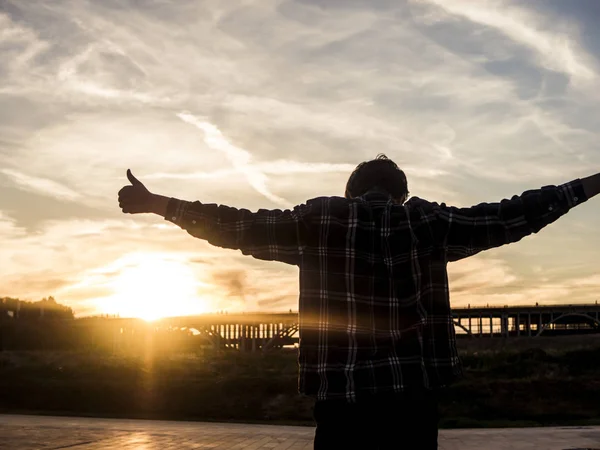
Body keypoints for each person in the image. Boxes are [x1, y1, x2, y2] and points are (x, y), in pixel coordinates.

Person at [118, 155, 598, 449]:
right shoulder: (428, 224)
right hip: (412, 402)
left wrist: (160, 204)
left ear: (351, 191)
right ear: (402, 193)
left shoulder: (319, 223)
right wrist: (592, 184)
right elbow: (516, 213)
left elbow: (237, 225)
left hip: (343, 405)